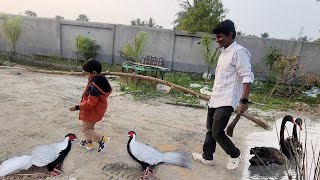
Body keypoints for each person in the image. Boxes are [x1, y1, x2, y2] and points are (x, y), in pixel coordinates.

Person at [192, 19, 254, 170]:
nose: (217, 40)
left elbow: (247, 77)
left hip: (227, 100)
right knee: (210, 129)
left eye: (220, 36)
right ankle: (207, 157)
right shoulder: (223, 53)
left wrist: (244, 101)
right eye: (216, 37)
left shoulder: (239, 52)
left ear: (230, 34)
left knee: (217, 131)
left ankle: (235, 154)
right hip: (215, 98)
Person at [69, 59, 112, 152]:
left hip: (91, 112)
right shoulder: (100, 80)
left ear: (94, 73)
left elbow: (89, 104)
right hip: (96, 111)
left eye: (87, 74)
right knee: (89, 127)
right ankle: (88, 143)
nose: (86, 76)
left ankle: (102, 140)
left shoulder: (94, 88)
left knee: (85, 129)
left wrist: (77, 107)